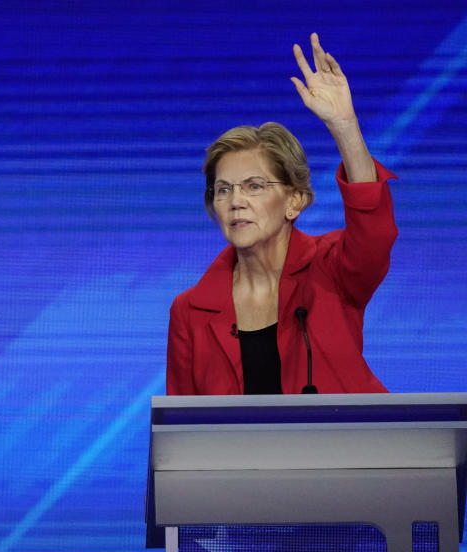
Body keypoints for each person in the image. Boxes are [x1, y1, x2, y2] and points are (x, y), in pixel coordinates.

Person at [166, 33, 396, 395]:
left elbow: (374, 234)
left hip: (345, 450)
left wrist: (345, 128)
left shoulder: (332, 270)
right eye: (223, 189)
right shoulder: (190, 312)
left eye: (254, 186)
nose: (235, 201)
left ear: (295, 201)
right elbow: (181, 434)